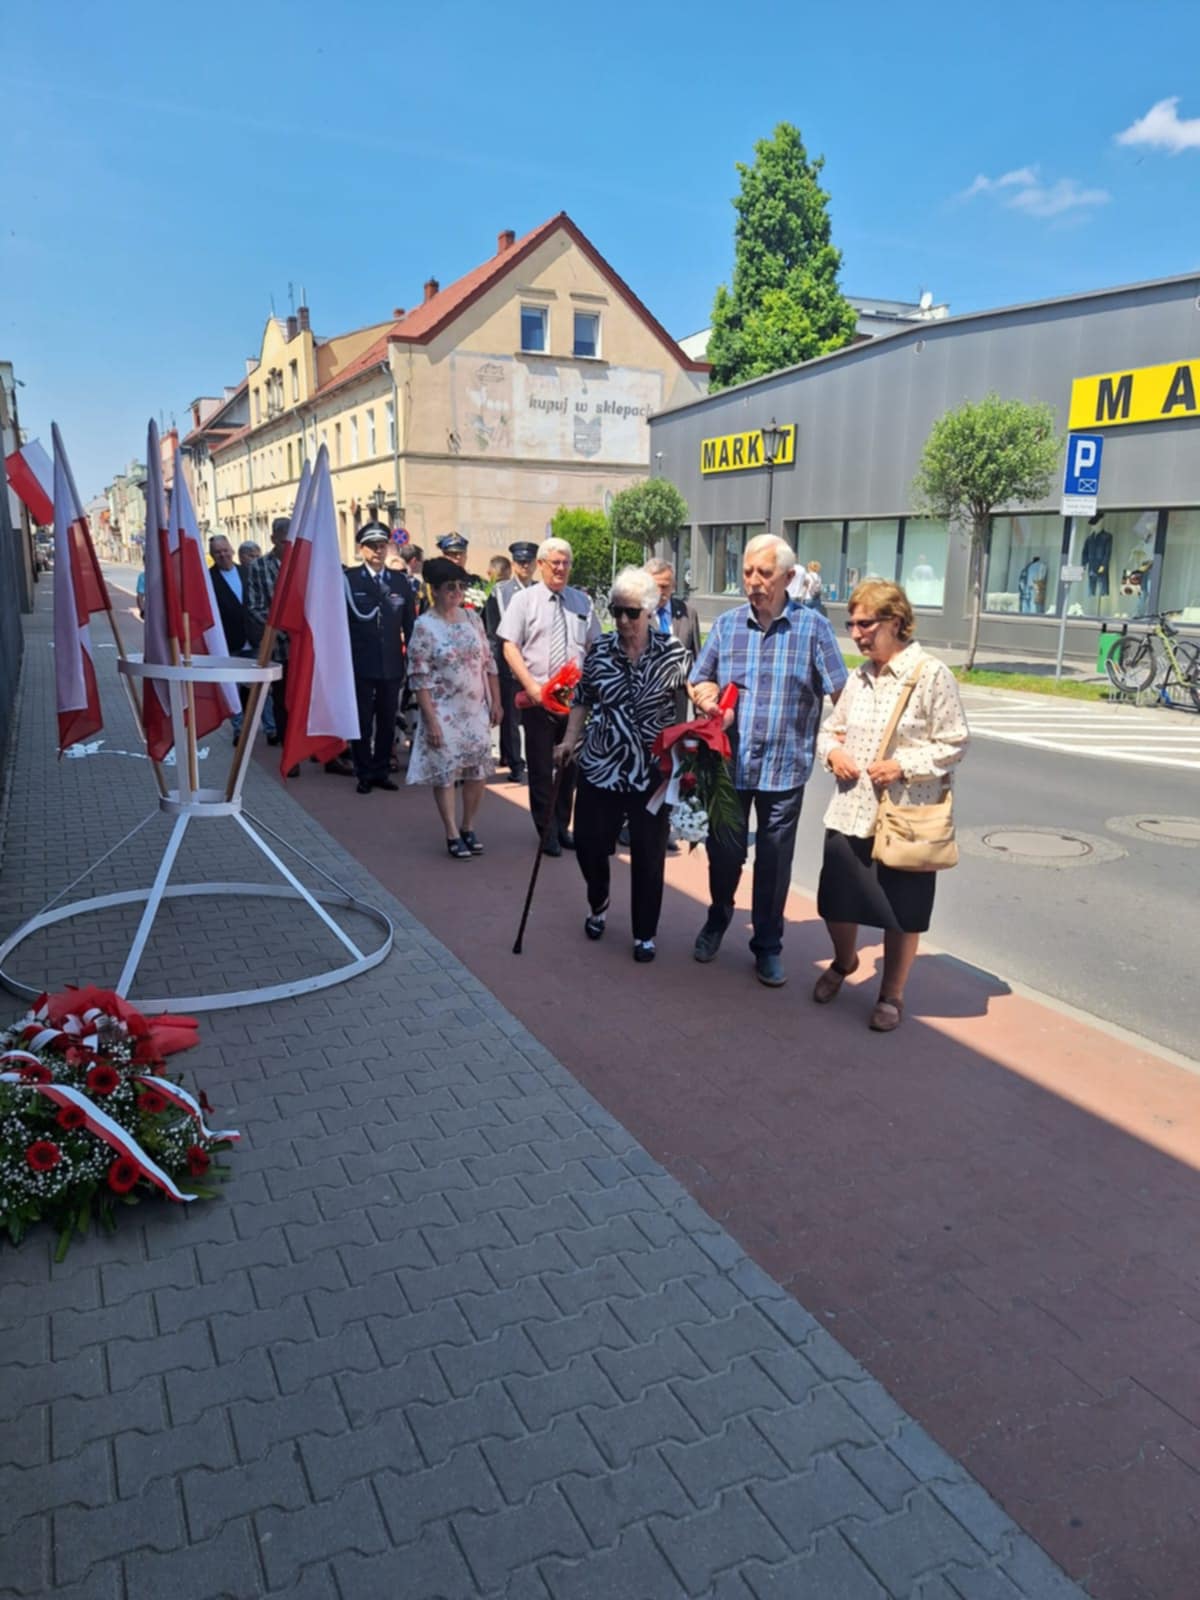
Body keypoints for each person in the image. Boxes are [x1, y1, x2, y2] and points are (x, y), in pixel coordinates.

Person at [690, 533, 848, 987]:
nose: (754, 582)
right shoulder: (728, 625)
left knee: (774, 863)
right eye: (747, 572)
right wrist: (706, 698)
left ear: (789, 577)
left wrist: (844, 741)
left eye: (764, 573)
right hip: (730, 766)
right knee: (725, 853)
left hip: (785, 767)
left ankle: (767, 945)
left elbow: (843, 693)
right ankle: (719, 916)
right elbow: (699, 679)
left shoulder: (813, 629)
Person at [814, 581, 969, 1032]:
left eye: (865, 624)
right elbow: (831, 729)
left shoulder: (931, 674)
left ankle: (892, 994)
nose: (856, 633)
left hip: (906, 816)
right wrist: (833, 753)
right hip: (851, 810)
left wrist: (904, 766)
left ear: (895, 622)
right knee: (835, 903)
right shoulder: (858, 677)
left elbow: (955, 742)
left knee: (902, 912)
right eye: (851, 624)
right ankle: (844, 962)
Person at [554, 567, 690, 962]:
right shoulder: (601, 650)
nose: (624, 621)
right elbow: (583, 697)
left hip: (651, 770)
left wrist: (708, 710)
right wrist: (569, 740)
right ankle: (599, 900)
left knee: (649, 854)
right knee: (589, 844)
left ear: (649, 611)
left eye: (632, 612)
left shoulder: (672, 652)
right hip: (602, 763)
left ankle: (644, 933)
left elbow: (696, 690)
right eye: (617, 611)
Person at [498, 536, 601, 857]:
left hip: (574, 701)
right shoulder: (524, 601)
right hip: (538, 698)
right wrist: (531, 686)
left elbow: (595, 645)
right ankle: (546, 831)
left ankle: (562, 824)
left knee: (570, 767)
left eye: (565, 563)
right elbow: (509, 646)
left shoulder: (582, 602)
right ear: (541, 565)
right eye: (555, 562)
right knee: (542, 768)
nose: (560, 568)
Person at [406, 557, 501, 858]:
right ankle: (451, 831)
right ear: (434, 590)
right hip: (442, 709)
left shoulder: (472, 618)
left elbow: (489, 662)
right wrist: (430, 720)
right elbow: (419, 676)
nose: (457, 592)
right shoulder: (425, 626)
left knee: (477, 770)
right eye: (450, 587)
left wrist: (496, 701)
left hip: (474, 708)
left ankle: (468, 826)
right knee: (446, 772)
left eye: (461, 586)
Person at [345, 526, 415, 795]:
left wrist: (412, 660)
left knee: (387, 720)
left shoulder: (400, 581)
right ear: (361, 549)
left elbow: (409, 624)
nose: (378, 550)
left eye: (382, 545)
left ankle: (381, 770)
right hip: (360, 663)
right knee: (362, 721)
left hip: (391, 663)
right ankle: (363, 772)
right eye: (372, 545)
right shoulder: (350, 580)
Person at [483, 540, 537, 782]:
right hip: (509, 665)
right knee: (511, 720)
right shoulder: (500, 592)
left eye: (528, 561)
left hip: (535, 665)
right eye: (520, 561)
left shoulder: (541, 590)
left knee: (535, 718)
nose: (524, 566)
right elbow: (493, 632)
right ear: (513, 564)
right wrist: (495, 665)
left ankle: (535, 760)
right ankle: (516, 763)